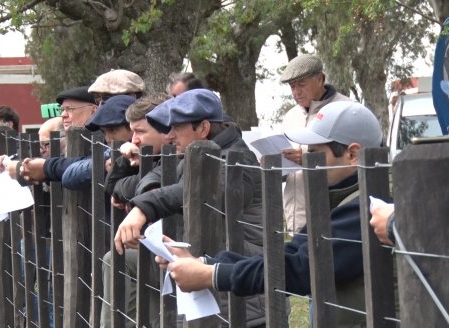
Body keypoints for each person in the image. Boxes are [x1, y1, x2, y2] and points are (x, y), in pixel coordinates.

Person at [156, 100, 383, 327]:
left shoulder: (369, 206)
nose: (307, 162)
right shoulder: (342, 200)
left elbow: (298, 270)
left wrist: (211, 275)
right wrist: (206, 263)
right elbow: (290, 253)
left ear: (353, 154)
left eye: (315, 154)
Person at [114, 88, 267, 327]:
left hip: (243, 302)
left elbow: (206, 191)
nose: (169, 135)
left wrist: (143, 208)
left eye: (176, 127)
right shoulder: (190, 155)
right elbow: (158, 179)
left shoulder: (237, 158)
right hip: (212, 294)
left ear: (203, 128)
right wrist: (148, 192)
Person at [100, 93, 170, 328]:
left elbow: (142, 187)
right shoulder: (149, 157)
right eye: (132, 132)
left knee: (119, 259)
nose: (134, 140)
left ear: (165, 130)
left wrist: (134, 189)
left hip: (183, 260)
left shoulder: (175, 157)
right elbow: (113, 189)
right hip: (161, 257)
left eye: (140, 132)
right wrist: (124, 160)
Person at [280, 54, 350, 234]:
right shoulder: (290, 116)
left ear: (320, 79)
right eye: (292, 86)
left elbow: (352, 162)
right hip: (295, 214)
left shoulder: (346, 110)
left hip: (332, 213)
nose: (296, 92)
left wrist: (310, 160)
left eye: (301, 84)